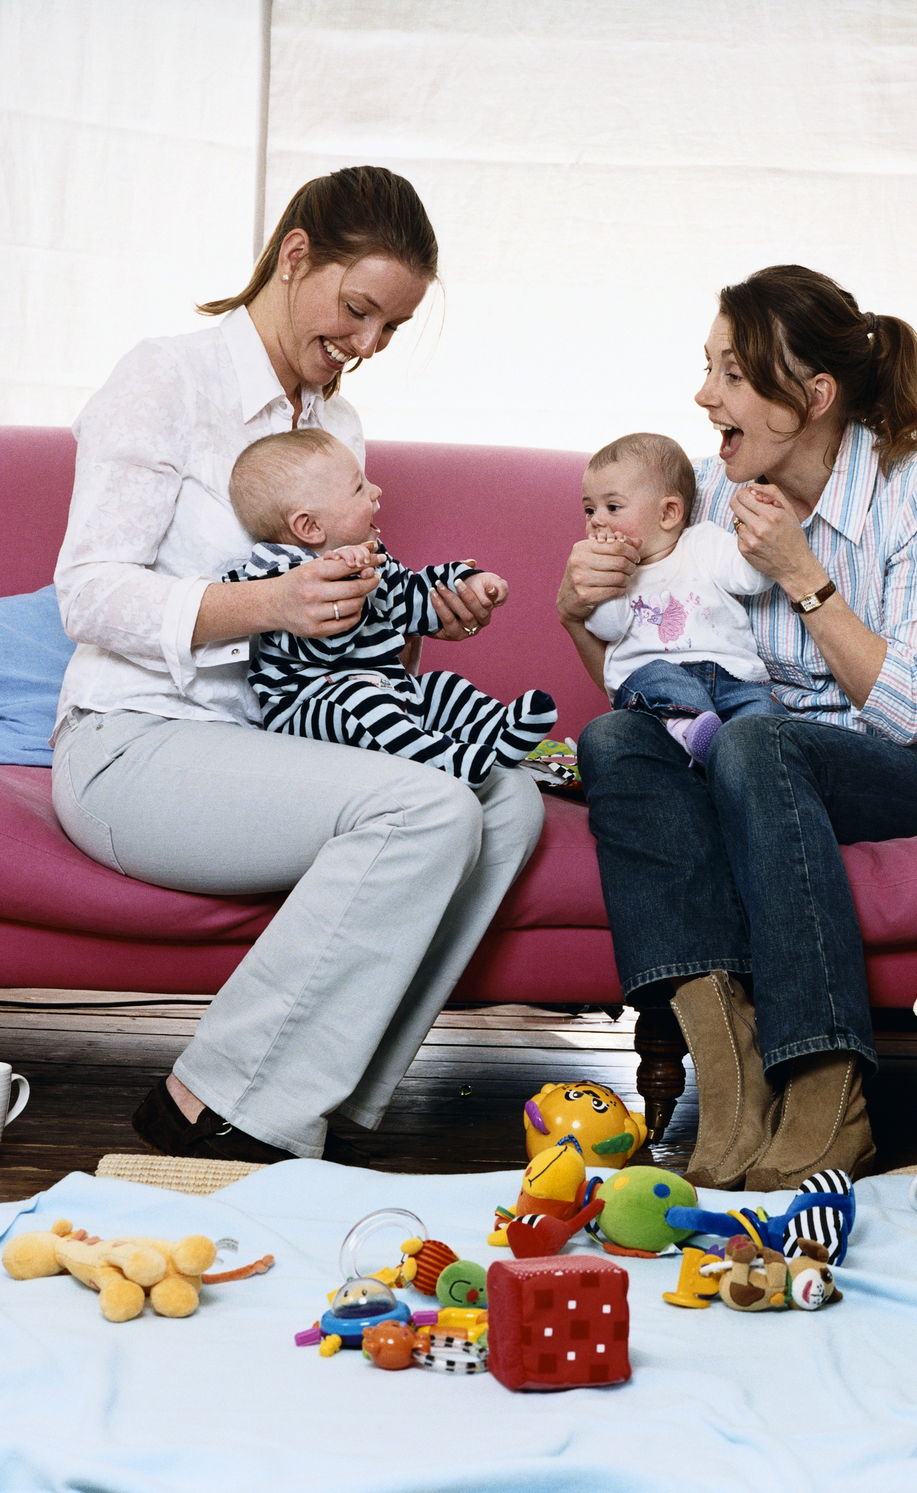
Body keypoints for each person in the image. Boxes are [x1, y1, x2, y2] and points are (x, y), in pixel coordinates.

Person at [51, 167, 544, 1164]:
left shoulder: (335, 429)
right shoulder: (168, 377)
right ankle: (212, 1102)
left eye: (390, 329)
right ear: (293, 255)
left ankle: (317, 1099)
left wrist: (418, 620)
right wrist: (261, 604)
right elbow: (87, 589)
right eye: (358, 310)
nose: (366, 346)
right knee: (427, 806)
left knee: (509, 801)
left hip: (274, 751)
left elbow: (337, 653)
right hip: (135, 743)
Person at [558, 265, 917, 1192]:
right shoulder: (710, 501)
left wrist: (803, 573)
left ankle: (827, 1089)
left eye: (730, 372)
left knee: (760, 740)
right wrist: (576, 614)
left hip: (915, 772)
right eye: (707, 366)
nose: (703, 394)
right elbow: (648, 684)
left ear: (812, 397)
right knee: (613, 742)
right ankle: (733, 1076)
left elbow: (916, 711)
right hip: (752, 763)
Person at [223, 427, 557, 785]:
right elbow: (325, 643)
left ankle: (497, 732)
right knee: (362, 703)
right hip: (311, 707)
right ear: (309, 526)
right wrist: (344, 576)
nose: (376, 490)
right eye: (358, 488)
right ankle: (443, 761)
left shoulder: (372, 558)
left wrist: (466, 585)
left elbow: (413, 595)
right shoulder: (274, 572)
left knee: (441, 687)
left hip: (388, 685)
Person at [580, 431, 785, 765]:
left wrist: (764, 533)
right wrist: (611, 577)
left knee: (763, 713)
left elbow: (752, 579)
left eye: (612, 507)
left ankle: (750, 757)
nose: (597, 520)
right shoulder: (611, 573)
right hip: (659, 682)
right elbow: (608, 629)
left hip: (731, 676)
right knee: (657, 676)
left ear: (669, 513)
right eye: (589, 510)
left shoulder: (703, 543)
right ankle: (688, 728)